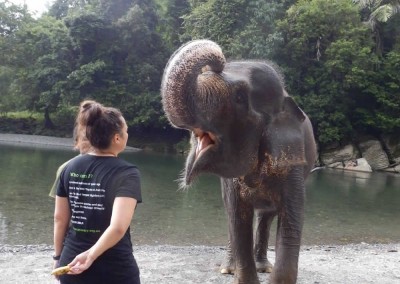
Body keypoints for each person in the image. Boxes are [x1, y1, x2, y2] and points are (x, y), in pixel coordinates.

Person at [53, 100, 142, 284]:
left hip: (72, 262)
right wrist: (90, 256)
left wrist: (57, 258)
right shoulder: (127, 173)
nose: (127, 134)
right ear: (117, 138)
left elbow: (60, 218)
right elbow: (117, 227)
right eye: (126, 131)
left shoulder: (69, 168)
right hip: (114, 267)